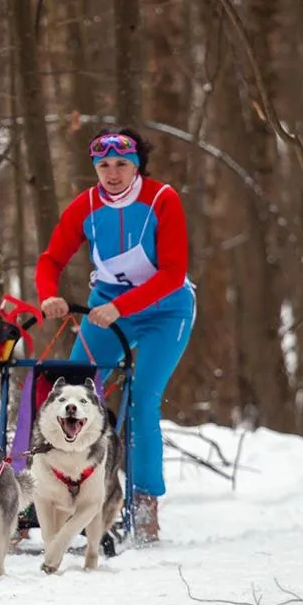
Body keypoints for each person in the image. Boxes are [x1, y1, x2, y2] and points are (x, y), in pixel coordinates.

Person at [34, 126, 196, 544]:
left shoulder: (163, 200)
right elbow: (51, 258)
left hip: (165, 311)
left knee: (141, 401)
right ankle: (60, 492)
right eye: (103, 165)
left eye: (122, 164)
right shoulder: (85, 206)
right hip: (106, 308)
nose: (112, 173)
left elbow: (173, 273)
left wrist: (121, 307)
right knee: (70, 391)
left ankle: (144, 509)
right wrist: (49, 296)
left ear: (137, 165)